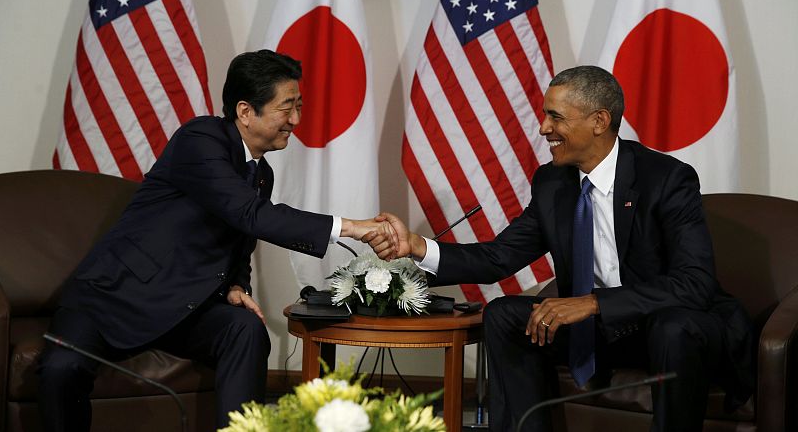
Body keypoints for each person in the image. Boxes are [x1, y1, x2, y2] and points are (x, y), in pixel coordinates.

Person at [366, 66, 753, 432]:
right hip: (603, 331)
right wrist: (417, 247)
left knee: (673, 327)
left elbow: (694, 284)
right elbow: (499, 257)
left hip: (668, 326)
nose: (542, 128)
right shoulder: (553, 184)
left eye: (556, 117)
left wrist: (594, 302)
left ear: (599, 121)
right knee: (503, 314)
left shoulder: (667, 179)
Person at [38, 49, 392, 430]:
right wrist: (354, 227)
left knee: (245, 329)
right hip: (114, 296)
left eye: (298, 107)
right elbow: (248, 214)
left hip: (182, 306)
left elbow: (238, 236)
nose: (296, 120)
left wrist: (236, 284)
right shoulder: (200, 139)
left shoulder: (260, 173)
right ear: (244, 111)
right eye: (286, 108)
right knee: (63, 368)